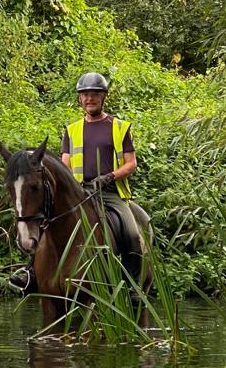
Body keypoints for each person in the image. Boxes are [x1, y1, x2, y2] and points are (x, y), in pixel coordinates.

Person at [8, 71, 143, 293]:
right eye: (85, 95)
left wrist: (109, 176)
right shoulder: (71, 130)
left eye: (95, 94)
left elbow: (131, 164)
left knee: (132, 234)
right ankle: (31, 273)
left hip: (110, 193)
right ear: (80, 99)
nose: (90, 98)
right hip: (78, 193)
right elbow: (65, 165)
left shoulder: (119, 127)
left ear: (104, 97)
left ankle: (132, 286)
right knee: (43, 225)